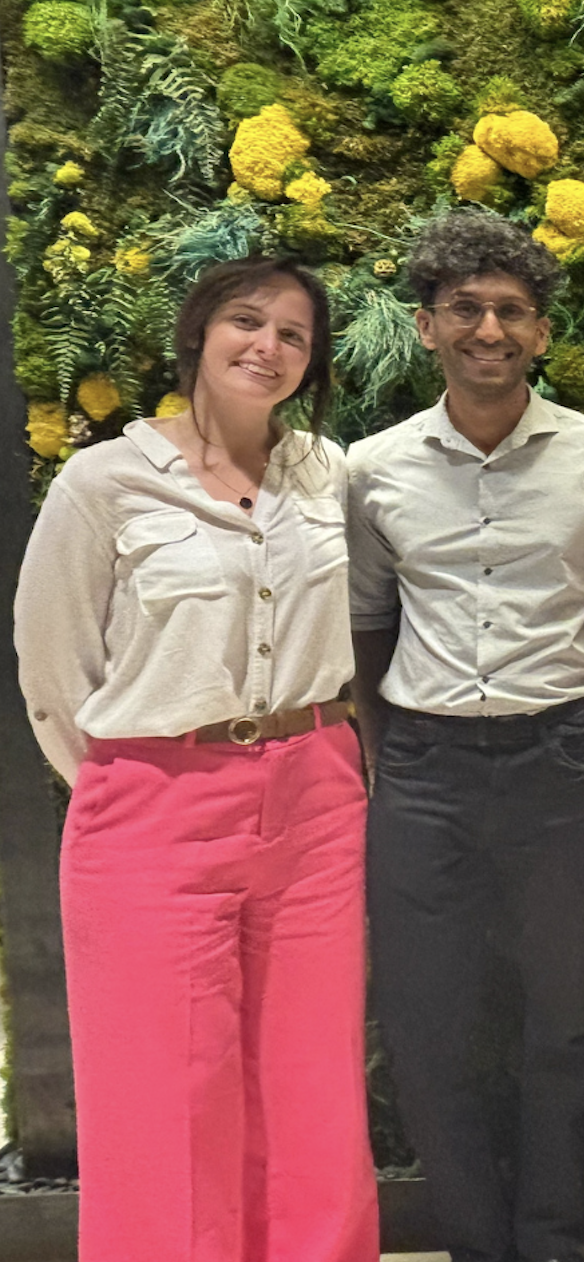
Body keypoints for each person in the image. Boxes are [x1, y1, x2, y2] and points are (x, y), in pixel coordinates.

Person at [15, 258, 378, 1262]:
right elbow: (53, 665)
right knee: (163, 1094)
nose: (268, 346)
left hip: (316, 796)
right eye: (246, 321)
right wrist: (133, 775)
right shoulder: (104, 481)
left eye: (294, 335)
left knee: (312, 1084)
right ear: (198, 334)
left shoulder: (328, 474)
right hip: (152, 803)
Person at [347, 208, 584, 1262]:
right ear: (426, 324)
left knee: (560, 1018)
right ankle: (477, 1244)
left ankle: (550, 1240)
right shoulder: (373, 469)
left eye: (512, 311)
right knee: (427, 1026)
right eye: (465, 308)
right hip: (424, 772)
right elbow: (365, 619)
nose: (489, 328)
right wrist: (382, 757)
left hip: (560, 764)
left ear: (541, 331)